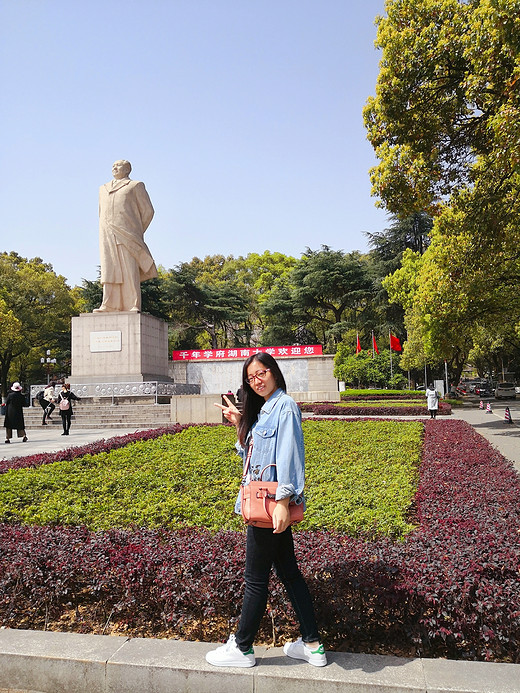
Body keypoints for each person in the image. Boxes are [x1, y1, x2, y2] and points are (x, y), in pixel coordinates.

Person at [206, 352, 327, 668]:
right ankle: (312, 645)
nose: (256, 381)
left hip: (269, 505)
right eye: (250, 378)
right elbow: (254, 457)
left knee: (256, 577)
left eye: (261, 373)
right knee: (289, 574)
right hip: (267, 502)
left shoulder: (284, 406)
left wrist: (285, 502)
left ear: (274, 372)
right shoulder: (264, 410)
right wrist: (239, 426)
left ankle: (242, 647)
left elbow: (289, 455)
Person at [94, 160, 157, 313]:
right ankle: (108, 304)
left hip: (128, 233)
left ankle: (132, 304)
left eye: (119, 165)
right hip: (107, 233)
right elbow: (100, 212)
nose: (114, 167)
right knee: (109, 269)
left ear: (128, 169)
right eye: (113, 165)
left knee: (129, 269)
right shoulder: (103, 189)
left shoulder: (135, 185)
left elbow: (148, 211)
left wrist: (136, 230)